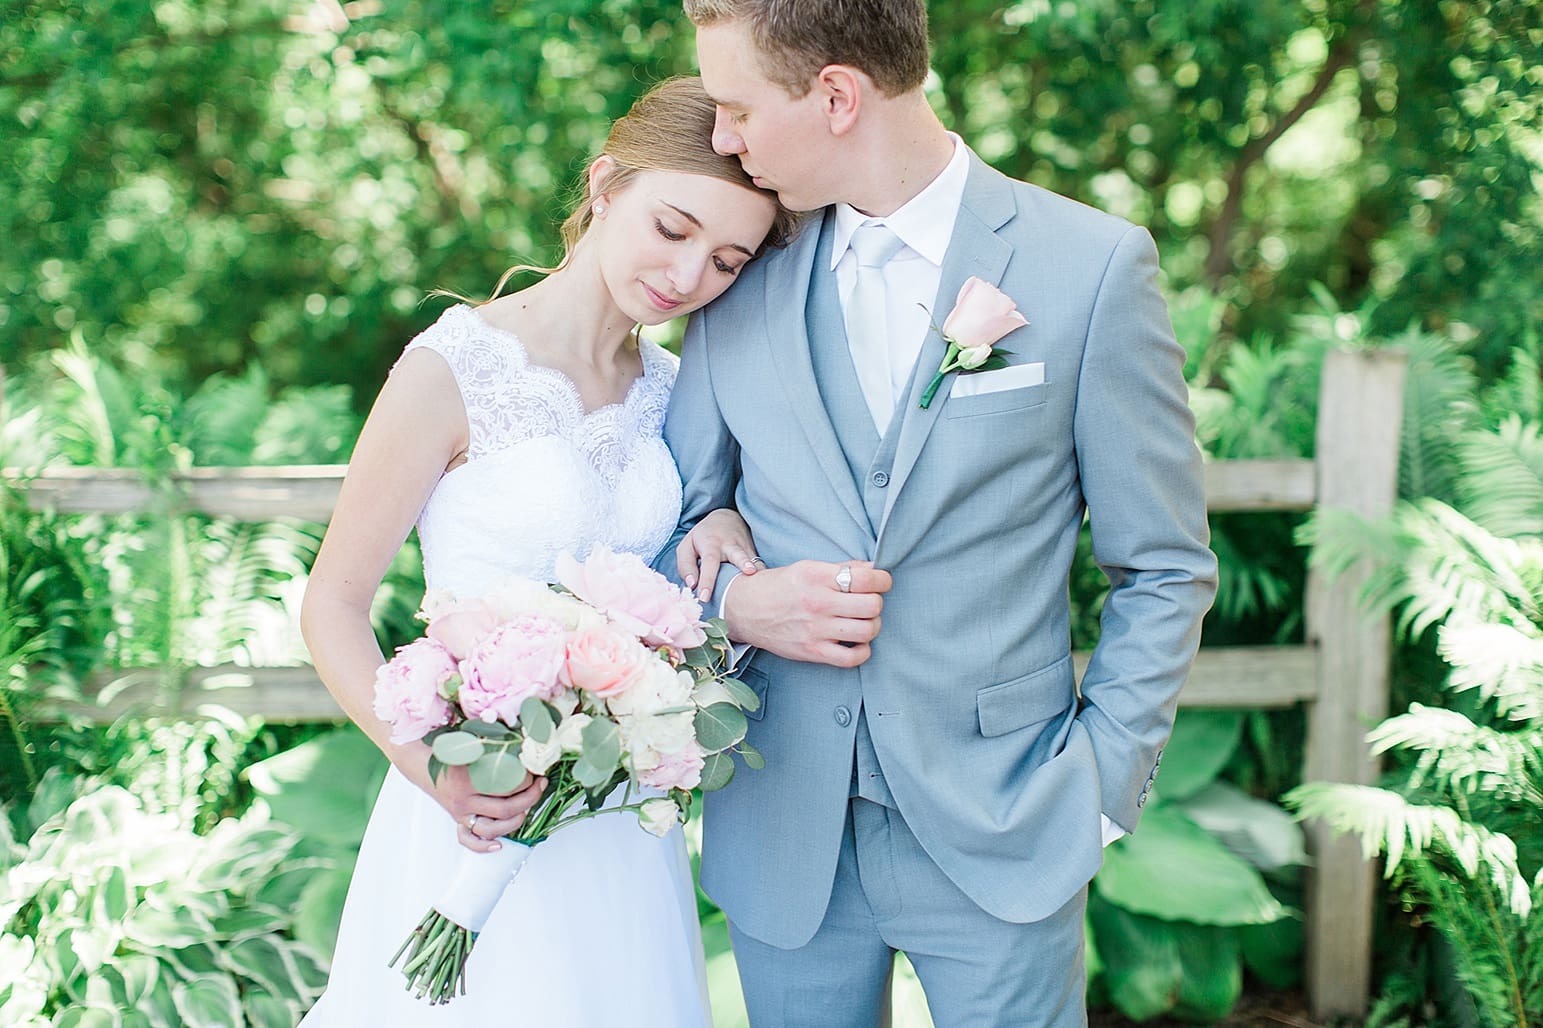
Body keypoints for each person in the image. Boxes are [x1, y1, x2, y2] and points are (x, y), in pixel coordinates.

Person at [663, 2, 1220, 1024]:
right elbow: (672, 519)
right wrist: (740, 604)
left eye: (738, 107)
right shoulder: (731, 276)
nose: (724, 137)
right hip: (784, 826)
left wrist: (1096, 789)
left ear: (836, 95)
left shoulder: (1087, 267)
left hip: (1006, 824)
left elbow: (1164, 564)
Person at [298, 76, 793, 1025]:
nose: (689, 278)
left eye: (727, 260)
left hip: (618, 821)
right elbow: (332, 605)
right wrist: (432, 772)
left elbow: (683, 570)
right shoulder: (451, 368)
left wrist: (717, 522)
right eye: (672, 228)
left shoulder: (684, 392)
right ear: (606, 186)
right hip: (472, 796)